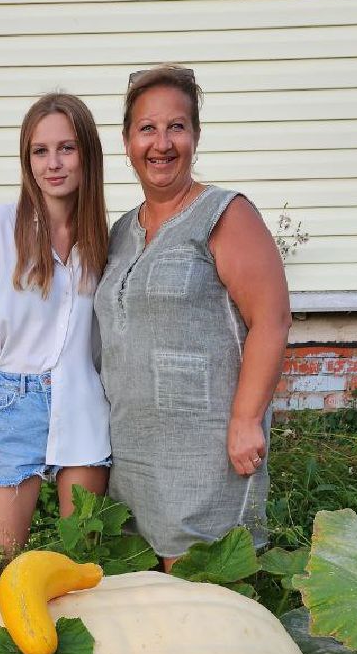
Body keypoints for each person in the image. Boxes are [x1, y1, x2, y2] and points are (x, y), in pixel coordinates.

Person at [95, 65, 291, 569]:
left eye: (176, 127)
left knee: (202, 603)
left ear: (195, 136)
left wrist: (247, 419)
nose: (162, 143)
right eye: (147, 128)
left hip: (204, 453)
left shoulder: (225, 215)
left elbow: (271, 319)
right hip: (134, 453)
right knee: (144, 606)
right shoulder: (120, 232)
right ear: (127, 142)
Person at [0, 93, 112, 557]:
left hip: (84, 403)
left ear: (87, 153)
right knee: (6, 564)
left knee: (81, 564)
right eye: (40, 152)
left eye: (66, 148)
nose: (53, 164)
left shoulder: (105, 238)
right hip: (12, 403)